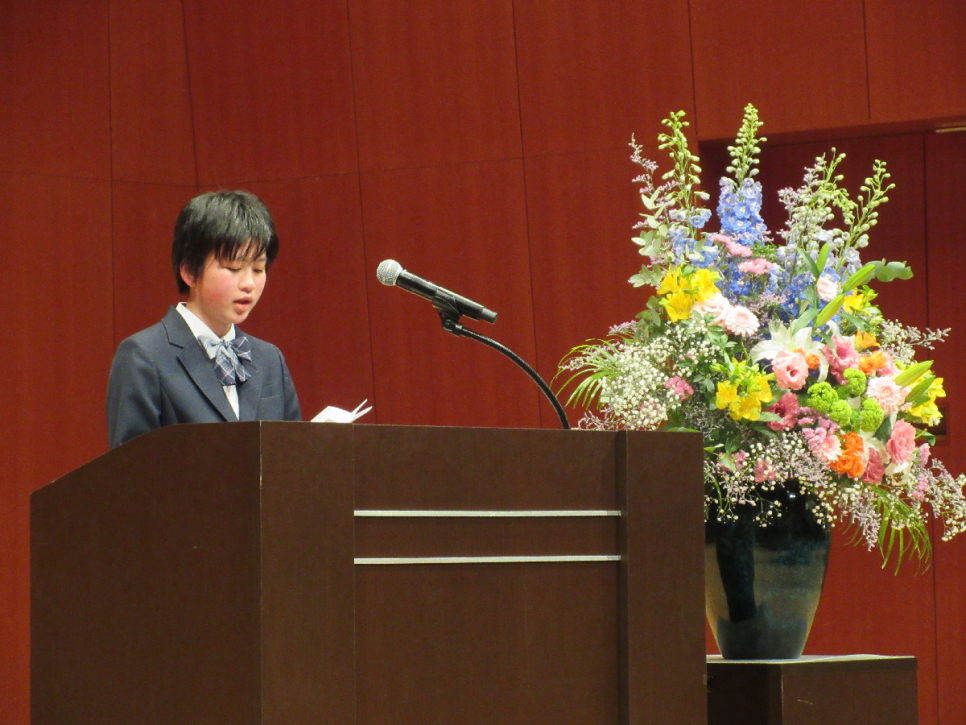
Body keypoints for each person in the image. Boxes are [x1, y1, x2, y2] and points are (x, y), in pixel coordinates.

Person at [106, 190, 301, 449]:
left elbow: (293, 454)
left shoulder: (269, 359)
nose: (249, 284)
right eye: (233, 268)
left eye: (258, 269)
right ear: (189, 270)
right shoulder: (143, 356)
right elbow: (131, 466)